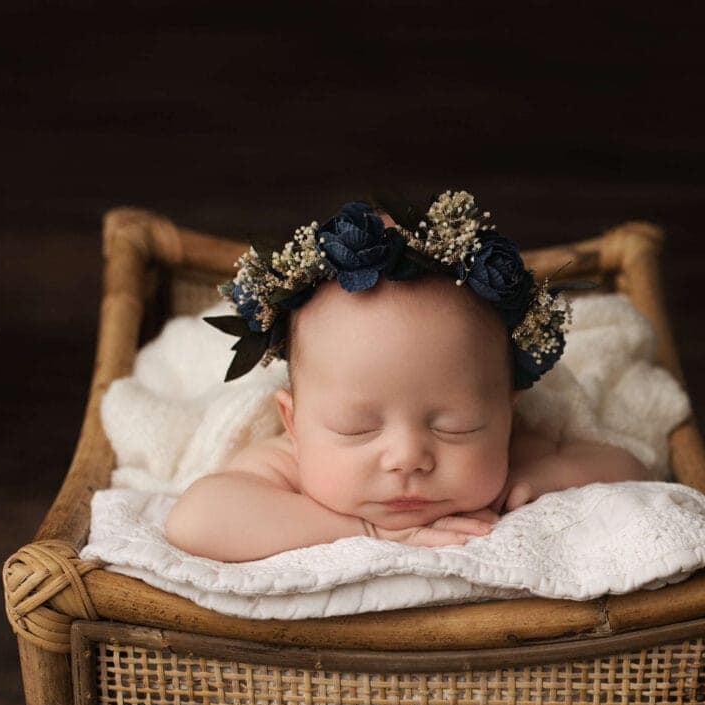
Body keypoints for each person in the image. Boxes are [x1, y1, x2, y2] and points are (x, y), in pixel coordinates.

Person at [162, 193, 648, 562]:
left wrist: (547, 476)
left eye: (454, 426)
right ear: (293, 422)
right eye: (358, 428)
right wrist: (368, 533)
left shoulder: (509, 460)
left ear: (507, 413)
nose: (408, 458)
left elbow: (631, 468)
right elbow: (196, 519)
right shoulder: (287, 464)